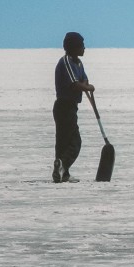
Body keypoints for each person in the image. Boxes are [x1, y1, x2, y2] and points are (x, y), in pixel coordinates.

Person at [53, 32, 95, 183]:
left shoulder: (78, 63)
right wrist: (86, 87)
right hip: (64, 106)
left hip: (71, 107)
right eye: (81, 45)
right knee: (74, 142)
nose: (84, 48)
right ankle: (62, 166)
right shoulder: (66, 62)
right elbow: (75, 84)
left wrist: (87, 86)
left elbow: (84, 80)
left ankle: (62, 173)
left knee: (64, 142)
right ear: (73, 47)